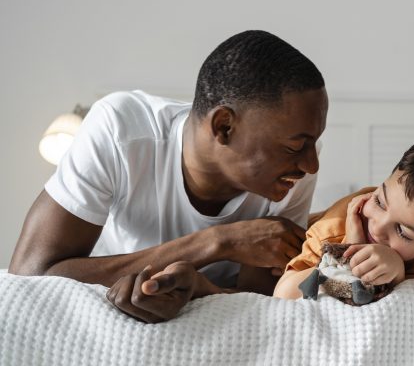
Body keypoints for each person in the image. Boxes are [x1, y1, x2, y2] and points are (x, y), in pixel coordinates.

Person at [9, 30, 329, 322]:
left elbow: (267, 303)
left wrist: (200, 288)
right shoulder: (122, 130)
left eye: (313, 143)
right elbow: (28, 275)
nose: (311, 165)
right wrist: (216, 243)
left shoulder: (290, 176)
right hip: (101, 308)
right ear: (224, 127)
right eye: (296, 146)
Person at [273, 132, 414, 300]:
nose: (378, 227)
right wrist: (346, 251)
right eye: (379, 202)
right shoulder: (337, 225)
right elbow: (284, 293)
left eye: (403, 231)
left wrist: (399, 274)